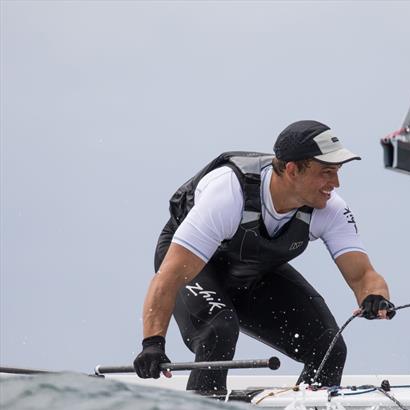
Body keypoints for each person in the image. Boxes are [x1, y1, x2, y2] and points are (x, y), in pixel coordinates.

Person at [133, 120, 394, 392]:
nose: (335, 183)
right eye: (327, 172)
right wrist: (152, 343)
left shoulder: (330, 209)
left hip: (253, 271)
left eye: (338, 171)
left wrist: (373, 297)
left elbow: (364, 275)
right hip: (198, 269)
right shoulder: (228, 194)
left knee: (329, 347)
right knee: (219, 330)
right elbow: (168, 279)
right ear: (292, 170)